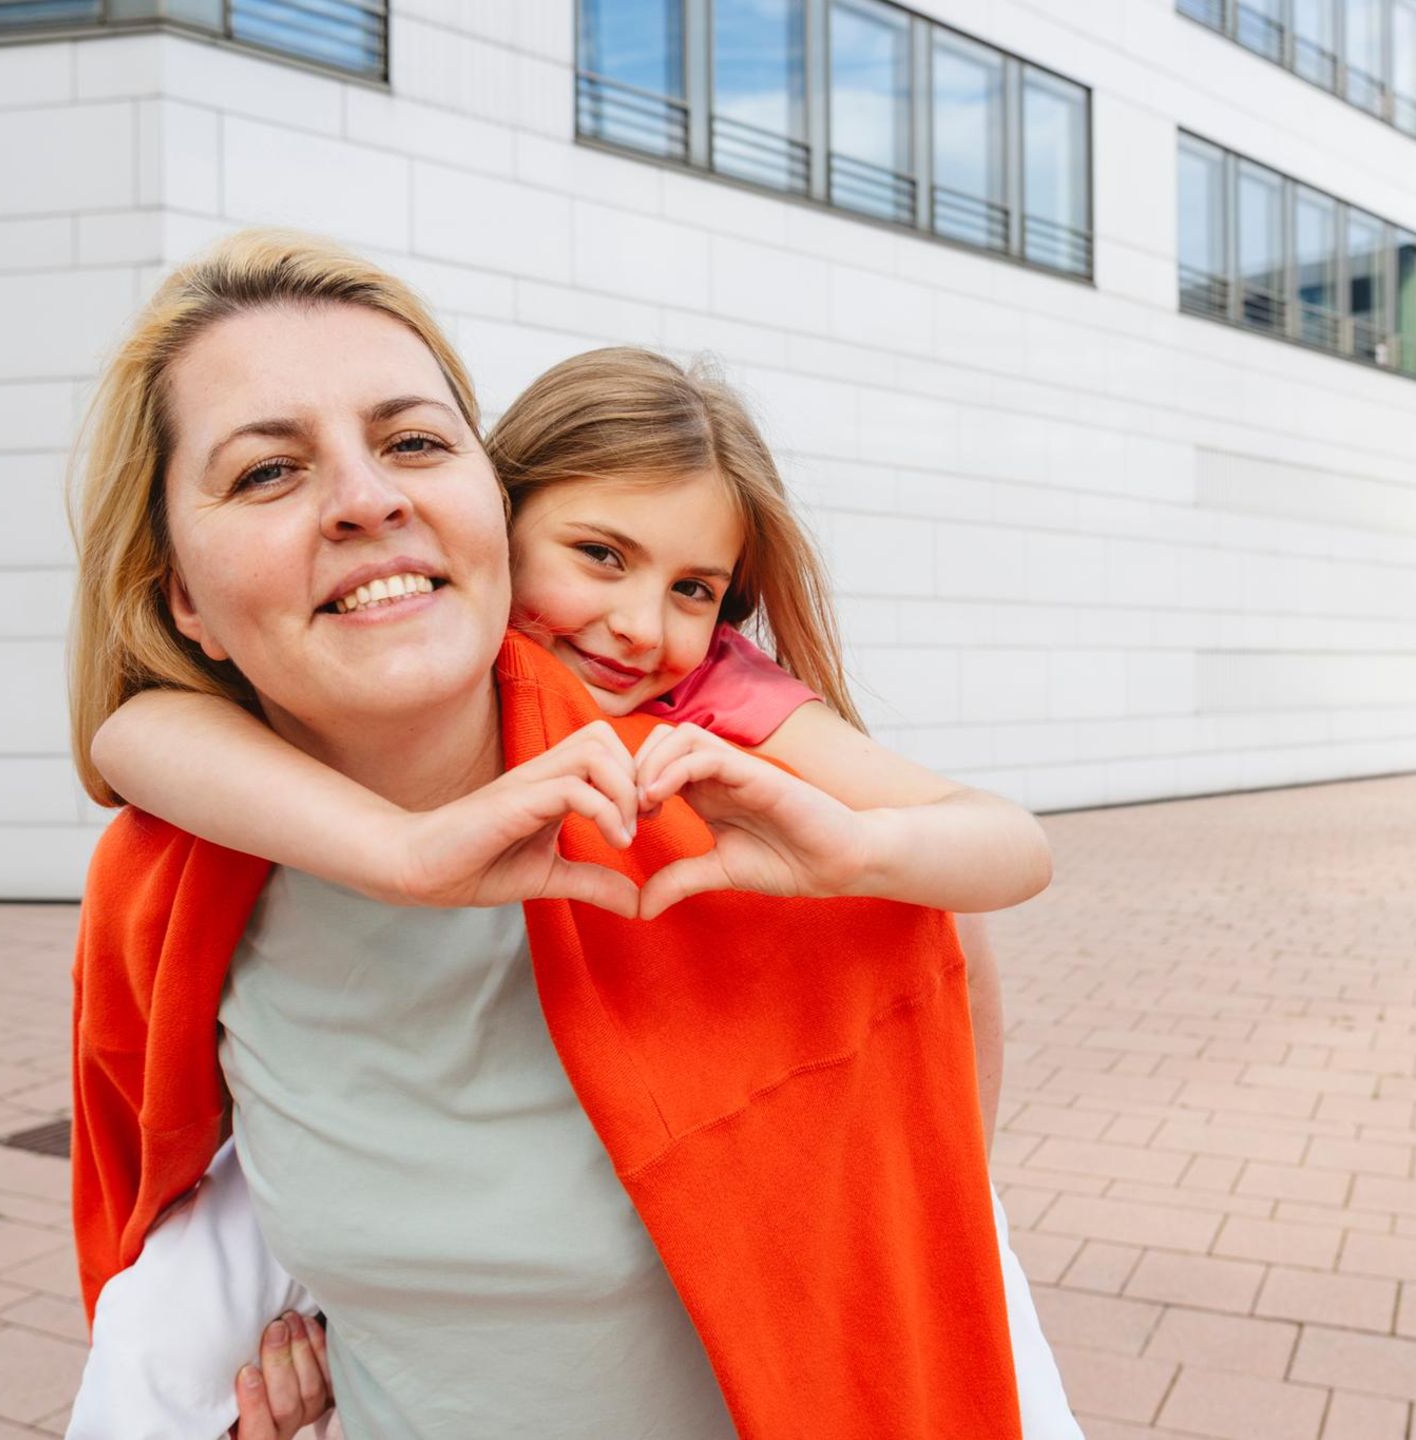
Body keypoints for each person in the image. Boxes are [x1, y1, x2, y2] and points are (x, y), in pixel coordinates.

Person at [67, 228, 1070, 1440]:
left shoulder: (717, 772)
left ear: (480, 503)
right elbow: (125, 737)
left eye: (415, 443)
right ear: (183, 593)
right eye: (267, 471)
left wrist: (856, 853)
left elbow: (932, 1184)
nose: (369, 498)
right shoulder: (183, 871)